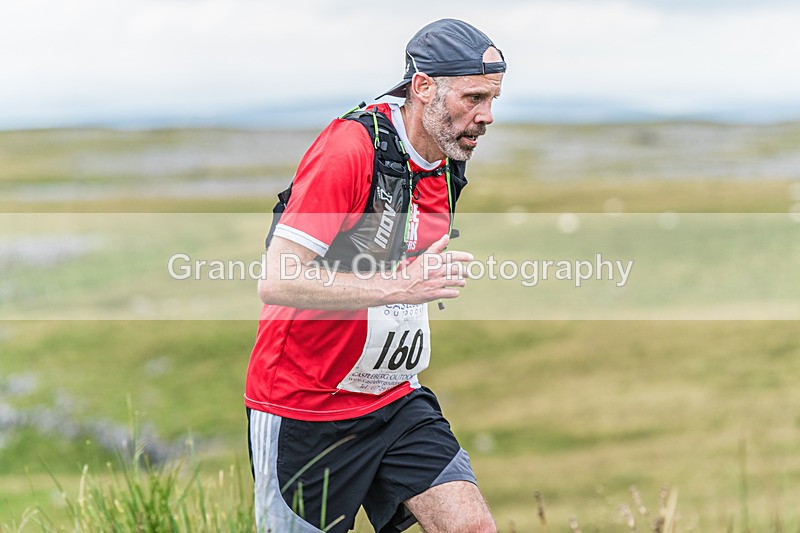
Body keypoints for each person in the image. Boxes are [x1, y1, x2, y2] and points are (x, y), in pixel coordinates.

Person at [245, 18, 505, 533]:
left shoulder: (445, 160)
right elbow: (277, 280)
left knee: (471, 526)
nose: (487, 116)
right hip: (306, 407)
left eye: (493, 99)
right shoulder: (350, 149)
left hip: (394, 398)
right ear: (424, 86)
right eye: (473, 98)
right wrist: (401, 287)